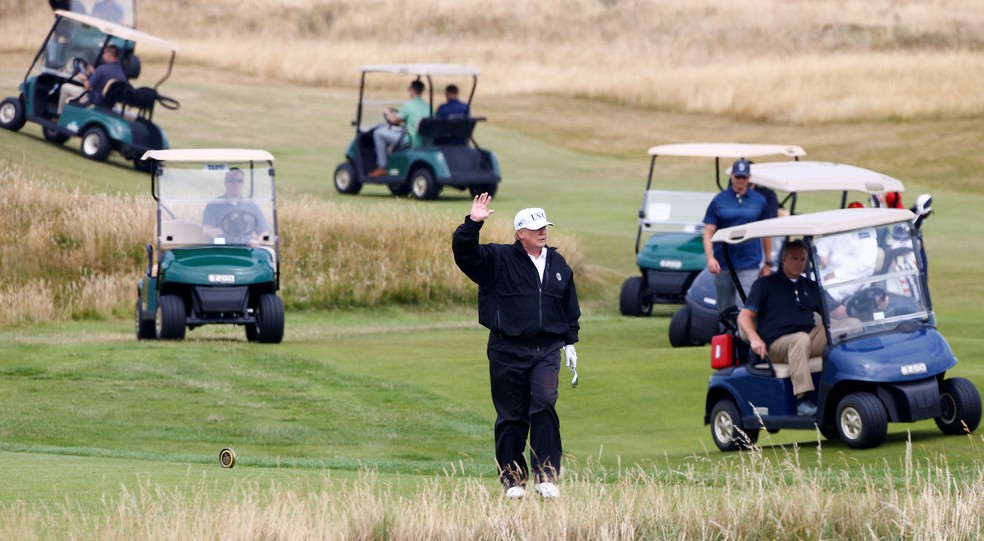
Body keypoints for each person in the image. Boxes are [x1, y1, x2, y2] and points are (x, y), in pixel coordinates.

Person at [452, 193, 581, 500]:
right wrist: (472, 223)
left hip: (547, 348)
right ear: (520, 233)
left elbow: (569, 306)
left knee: (545, 403)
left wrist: (571, 342)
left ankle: (546, 475)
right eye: (536, 228)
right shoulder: (497, 260)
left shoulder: (558, 264)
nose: (543, 232)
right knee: (511, 415)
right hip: (506, 348)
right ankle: (513, 480)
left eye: (545, 227)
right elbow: (464, 254)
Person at [738, 240, 852, 416]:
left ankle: (850, 382)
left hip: (806, 339)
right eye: (794, 258)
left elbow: (839, 313)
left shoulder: (809, 286)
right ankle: (801, 400)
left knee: (852, 325)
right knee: (801, 338)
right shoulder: (766, 285)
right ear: (783, 259)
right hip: (775, 345)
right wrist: (754, 338)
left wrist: (867, 305)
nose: (798, 263)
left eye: (802, 259)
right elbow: (745, 316)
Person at [703, 158, 773, 314]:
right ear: (731, 177)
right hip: (723, 262)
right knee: (725, 309)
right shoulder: (719, 200)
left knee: (746, 308)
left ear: (749, 178)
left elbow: (766, 232)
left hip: (749, 262)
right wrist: (710, 257)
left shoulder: (759, 201)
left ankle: (743, 339)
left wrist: (768, 262)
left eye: (744, 177)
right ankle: (726, 338)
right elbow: (709, 230)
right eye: (738, 177)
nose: (740, 180)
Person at [368, 80, 430, 178]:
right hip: (423, 140)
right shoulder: (428, 107)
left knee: (378, 133)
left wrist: (388, 112)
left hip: (410, 140)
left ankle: (382, 167)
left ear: (412, 90)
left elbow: (393, 120)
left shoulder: (409, 106)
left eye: (409, 89)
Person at [201, 168, 270, 245]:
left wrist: (258, 241)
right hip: (220, 250)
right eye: (232, 181)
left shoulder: (252, 206)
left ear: (243, 183)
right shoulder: (214, 205)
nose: (236, 184)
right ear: (225, 183)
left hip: (246, 251)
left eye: (239, 181)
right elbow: (206, 231)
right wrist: (225, 229)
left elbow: (266, 235)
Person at [58, 44, 127, 115]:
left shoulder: (102, 69)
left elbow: (88, 86)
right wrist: (94, 73)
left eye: (104, 53)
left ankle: (59, 115)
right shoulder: (121, 73)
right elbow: (104, 81)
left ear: (108, 55)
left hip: (92, 99)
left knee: (65, 87)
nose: (103, 56)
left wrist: (84, 79)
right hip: (108, 104)